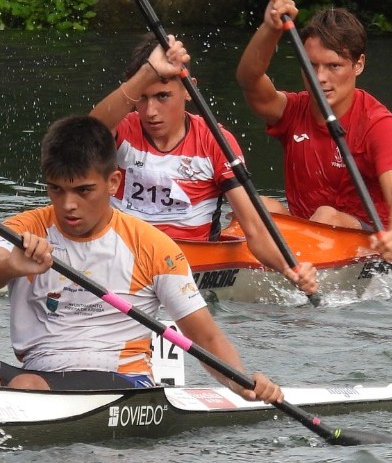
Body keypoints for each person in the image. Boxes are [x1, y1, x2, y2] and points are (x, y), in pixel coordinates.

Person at [0, 114, 282, 402]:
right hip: (37, 374)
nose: (67, 205)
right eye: (56, 189)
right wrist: (12, 265)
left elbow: (204, 337)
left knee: (26, 387)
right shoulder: (26, 229)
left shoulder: (152, 246)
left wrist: (242, 384)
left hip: (122, 382)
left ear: (114, 182)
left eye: (83, 190)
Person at [90, 33, 317, 296]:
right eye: (142, 97)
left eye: (162, 96)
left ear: (188, 90)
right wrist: (148, 72)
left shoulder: (215, 142)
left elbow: (254, 227)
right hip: (120, 258)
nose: (150, 111)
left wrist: (290, 269)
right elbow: (88, 131)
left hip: (188, 272)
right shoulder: (122, 131)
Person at [236, 0, 392, 265]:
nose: (319, 77)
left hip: (368, 237)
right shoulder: (292, 111)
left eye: (334, 66)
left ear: (358, 65)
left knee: (326, 215)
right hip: (305, 232)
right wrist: (271, 29)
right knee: (252, 206)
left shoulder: (380, 125)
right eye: (312, 66)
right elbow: (249, 80)